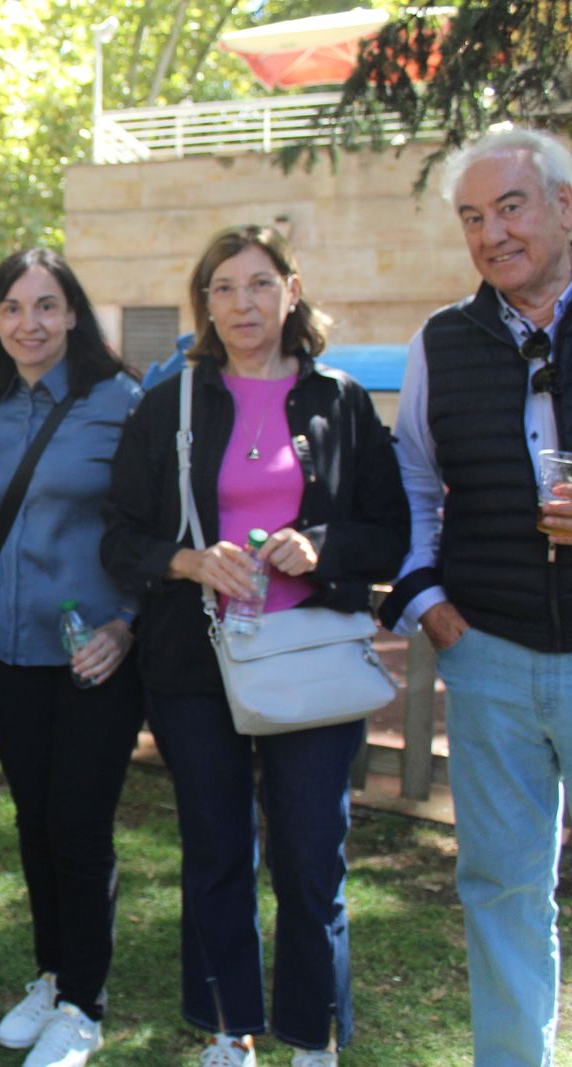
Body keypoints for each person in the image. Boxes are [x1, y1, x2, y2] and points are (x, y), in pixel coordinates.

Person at [101, 225, 407, 1067]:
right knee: (217, 852)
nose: (243, 303)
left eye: (260, 284)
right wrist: (189, 559)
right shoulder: (170, 404)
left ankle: (313, 1035)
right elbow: (120, 536)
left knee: (311, 857)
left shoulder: (339, 401)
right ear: (205, 304)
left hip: (309, 661)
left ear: (292, 291)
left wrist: (323, 548)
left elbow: (390, 529)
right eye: (225, 288)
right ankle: (229, 1025)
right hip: (195, 664)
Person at [377, 127, 572, 1067]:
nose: (493, 234)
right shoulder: (441, 341)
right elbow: (411, 474)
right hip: (489, 655)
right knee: (500, 884)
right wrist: (423, 598)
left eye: (510, 207)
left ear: (564, 208)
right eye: (471, 218)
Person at [0, 249, 143, 1067]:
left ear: (74, 313)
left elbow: (159, 526)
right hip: (10, 653)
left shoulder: (120, 402)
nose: (28, 324)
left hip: (97, 655)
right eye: (11, 308)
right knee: (33, 820)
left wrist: (129, 624)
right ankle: (51, 972)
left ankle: (84, 1003)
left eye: (45, 306)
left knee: (78, 822)